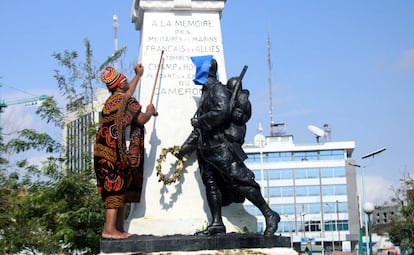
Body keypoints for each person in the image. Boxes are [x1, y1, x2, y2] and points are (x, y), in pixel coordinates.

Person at [176, 56, 280, 236]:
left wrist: (199, 121)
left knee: (241, 181)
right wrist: (184, 149)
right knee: (211, 185)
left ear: (204, 71)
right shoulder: (206, 91)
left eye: (196, 68)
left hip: (221, 148)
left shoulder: (217, 90)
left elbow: (222, 112)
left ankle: (270, 214)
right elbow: (200, 128)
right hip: (207, 150)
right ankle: (217, 223)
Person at [94, 64, 157, 240]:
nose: (127, 82)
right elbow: (141, 119)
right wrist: (150, 112)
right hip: (113, 153)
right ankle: (109, 229)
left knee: (118, 188)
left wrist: (138, 76)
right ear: (121, 85)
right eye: (125, 80)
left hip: (103, 149)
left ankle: (118, 229)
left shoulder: (112, 101)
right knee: (115, 187)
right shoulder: (126, 101)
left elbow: (127, 95)